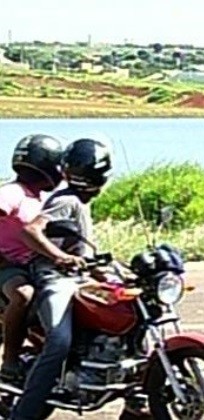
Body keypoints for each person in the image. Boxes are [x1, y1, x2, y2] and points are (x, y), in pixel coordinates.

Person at [10, 138, 149, 420]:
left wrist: (122, 276)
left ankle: (135, 404)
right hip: (54, 278)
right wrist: (59, 257)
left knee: (136, 324)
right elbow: (31, 231)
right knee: (58, 342)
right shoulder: (67, 200)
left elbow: (82, 254)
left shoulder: (79, 202)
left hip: (77, 277)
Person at [0, 134, 64, 382]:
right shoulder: (13, 192)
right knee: (23, 295)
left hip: (35, 266)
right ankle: (10, 360)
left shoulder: (40, 199)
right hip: (9, 266)